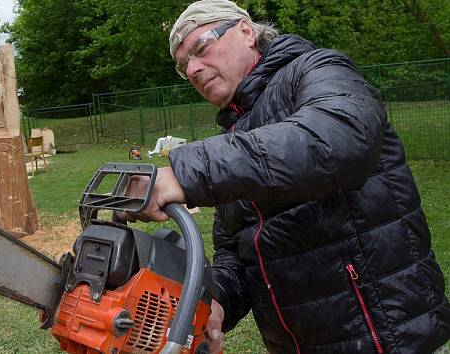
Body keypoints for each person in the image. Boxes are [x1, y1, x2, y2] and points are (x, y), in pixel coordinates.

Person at [122, 0, 450, 353]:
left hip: (383, 336)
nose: (193, 69)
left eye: (200, 48)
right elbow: (238, 253)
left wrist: (187, 173)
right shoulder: (233, 141)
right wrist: (215, 304)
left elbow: (340, 141)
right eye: (183, 65)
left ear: (246, 31)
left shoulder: (318, 69)